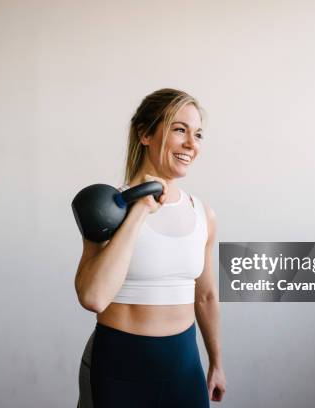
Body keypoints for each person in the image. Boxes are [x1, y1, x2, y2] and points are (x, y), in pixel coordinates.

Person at [75, 88, 226, 407]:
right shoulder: (108, 209)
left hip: (184, 367)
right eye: (179, 129)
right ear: (145, 133)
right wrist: (139, 210)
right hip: (119, 368)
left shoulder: (203, 214)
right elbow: (93, 296)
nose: (191, 144)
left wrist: (216, 363)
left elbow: (206, 295)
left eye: (197, 134)